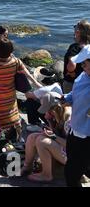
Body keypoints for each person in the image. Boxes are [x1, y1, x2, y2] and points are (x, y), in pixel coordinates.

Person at [0, 38, 42, 142]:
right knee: (13, 114)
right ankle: (19, 137)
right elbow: (26, 73)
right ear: (11, 51)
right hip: (9, 94)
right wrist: (36, 83)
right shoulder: (15, 62)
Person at [21, 92, 71, 183]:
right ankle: (27, 167)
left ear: (55, 110)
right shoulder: (58, 115)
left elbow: (71, 145)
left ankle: (46, 175)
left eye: (48, 111)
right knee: (33, 137)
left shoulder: (69, 120)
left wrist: (53, 136)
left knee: (42, 141)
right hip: (65, 151)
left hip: (75, 158)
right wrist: (50, 122)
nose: (45, 115)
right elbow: (55, 134)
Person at [61, 45, 90, 187]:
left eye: (85, 62)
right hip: (75, 130)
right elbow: (75, 94)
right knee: (72, 170)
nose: (82, 65)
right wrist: (64, 98)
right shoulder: (83, 76)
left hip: (86, 136)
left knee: (71, 174)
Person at [62, 19, 90, 93]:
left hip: (71, 82)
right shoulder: (88, 46)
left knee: (69, 102)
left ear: (78, 32)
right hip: (85, 81)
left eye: (75, 27)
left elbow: (72, 64)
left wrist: (70, 72)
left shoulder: (75, 47)